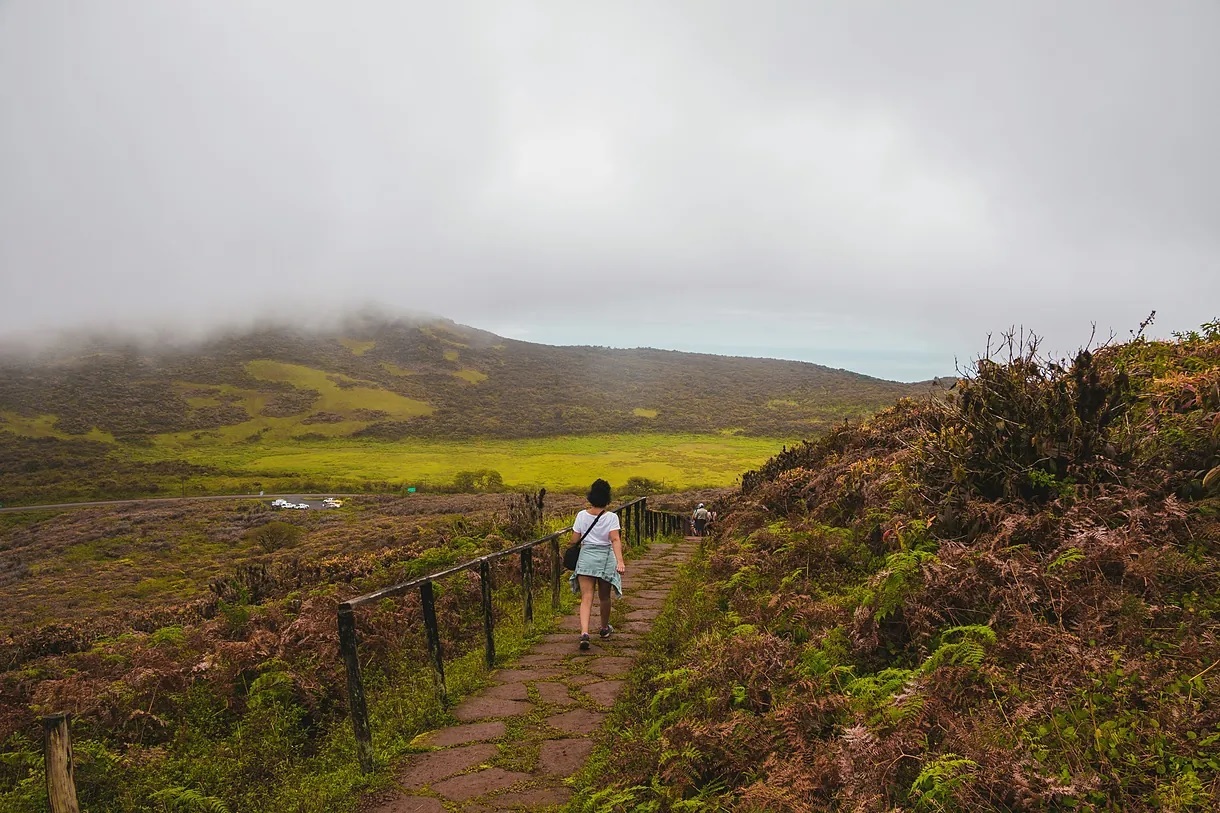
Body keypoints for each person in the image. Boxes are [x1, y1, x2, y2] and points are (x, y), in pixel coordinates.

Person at [569, 478, 625, 650]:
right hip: (605, 559)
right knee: (604, 597)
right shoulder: (611, 517)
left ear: (591, 496)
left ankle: (584, 632)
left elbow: (574, 540)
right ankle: (603, 628)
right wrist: (620, 561)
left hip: (586, 557)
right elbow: (615, 539)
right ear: (607, 497)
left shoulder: (581, 515)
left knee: (586, 598)